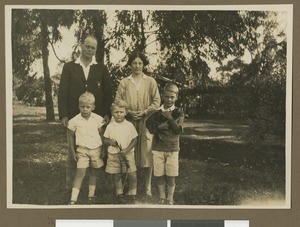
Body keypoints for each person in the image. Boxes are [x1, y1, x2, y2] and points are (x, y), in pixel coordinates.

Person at [58, 35, 113, 190]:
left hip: (96, 118)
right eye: (87, 46)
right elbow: (62, 92)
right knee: (73, 150)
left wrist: (107, 113)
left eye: (93, 48)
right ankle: (71, 186)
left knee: (96, 149)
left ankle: (95, 187)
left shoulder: (101, 68)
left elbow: (108, 92)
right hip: (75, 115)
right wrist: (63, 114)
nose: (89, 50)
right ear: (81, 46)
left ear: (96, 50)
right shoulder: (69, 67)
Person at [115, 51, 161, 198]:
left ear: (144, 64)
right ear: (130, 64)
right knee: (128, 152)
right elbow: (117, 101)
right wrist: (127, 112)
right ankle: (129, 185)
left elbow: (157, 101)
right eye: (134, 63)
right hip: (128, 122)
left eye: (140, 63)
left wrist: (145, 112)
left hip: (146, 121)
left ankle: (147, 187)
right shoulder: (124, 82)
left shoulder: (150, 81)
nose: (137, 66)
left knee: (147, 151)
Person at [146, 83, 184, 205]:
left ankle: (170, 198)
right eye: (167, 96)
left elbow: (178, 130)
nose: (169, 99)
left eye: (172, 97)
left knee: (171, 174)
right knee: (159, 174)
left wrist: (170, 118)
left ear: (176, 97)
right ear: (162, 96)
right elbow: (150, 127)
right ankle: (162, 196)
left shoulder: (179, 112)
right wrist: (159, 127)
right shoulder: (157, 112)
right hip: (158, 148)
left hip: (172, 148)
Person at [67, 92, 105, 205]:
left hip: (96, 150)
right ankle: (73, 199)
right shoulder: (74, 121)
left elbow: (102, 135)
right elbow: (70, 137)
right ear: (78, 106)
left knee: (93, 172)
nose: (84, 109)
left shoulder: (98, 119)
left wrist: (103, 149)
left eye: (87, 107)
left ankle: (91, 196)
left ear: (93, 107)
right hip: (82, 150)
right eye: (82, 106)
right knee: (80, 173)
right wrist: (72, 152)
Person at [103, 100, 138, 204]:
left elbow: (135, 139)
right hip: (114, 154)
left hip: (128, 154)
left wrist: (127, 150)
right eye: (116, 112)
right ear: (112, 113)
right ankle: (119, 194)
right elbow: (105, 140)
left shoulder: (129, 125)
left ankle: (133, 194)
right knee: (117, 175)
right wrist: (110, 141)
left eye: (121, 112)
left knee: (132, 174)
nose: (118, 114)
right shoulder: (110, 126)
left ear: (126, 112)